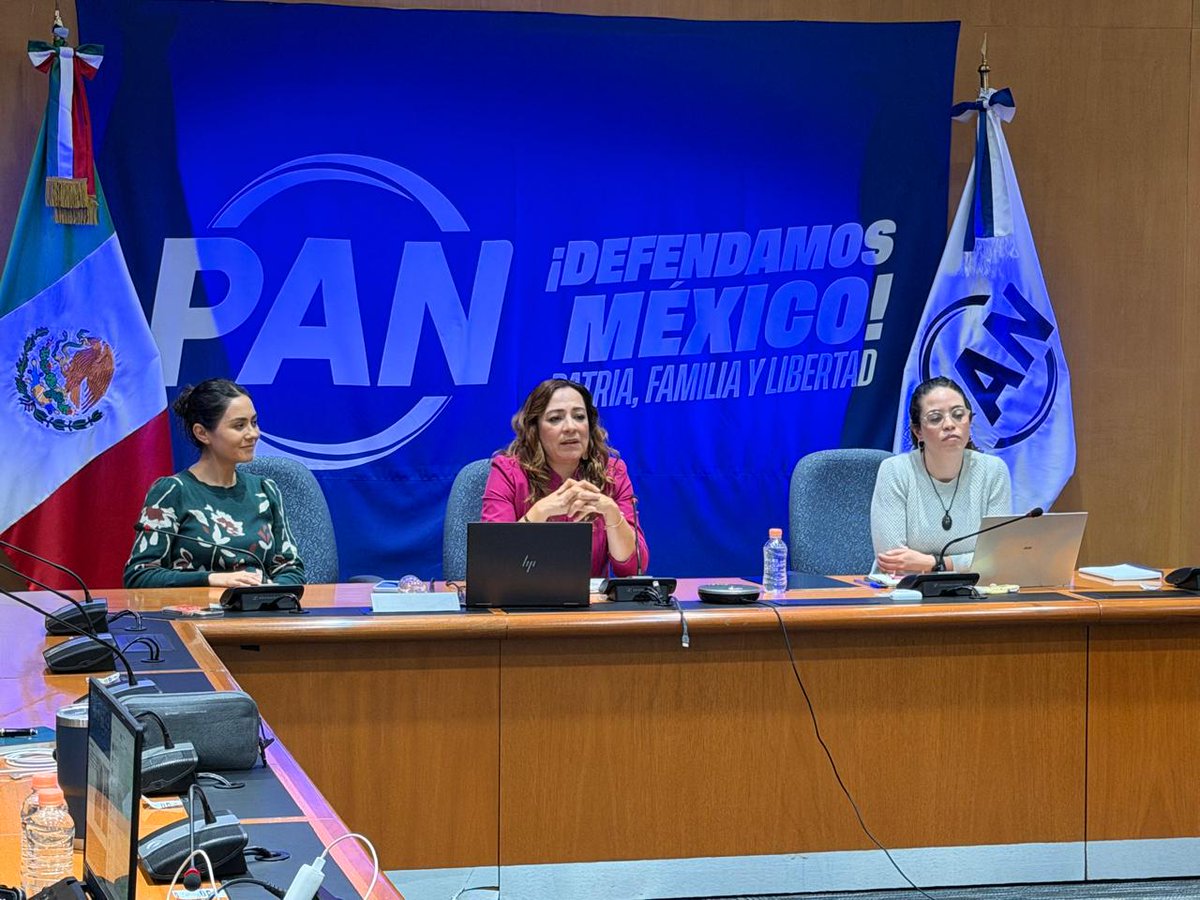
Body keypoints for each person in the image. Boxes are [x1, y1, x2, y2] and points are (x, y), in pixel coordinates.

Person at [123, 379, 305, 588]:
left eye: (253, 422)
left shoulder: (266, 490)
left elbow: (291, 569)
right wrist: (211, 580)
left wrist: (269, 592)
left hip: (260, 612)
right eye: (239, 426)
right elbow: (139, 576)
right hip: (195, 615)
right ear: (202, 433)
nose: (254, 434)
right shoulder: (172, 492)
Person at [481, 378, 648, 577]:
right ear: (535, 430)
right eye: (555, 419)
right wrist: (541, 511)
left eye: (579, 417)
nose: (571, 427)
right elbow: (494, 563)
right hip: (520, 603)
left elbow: (632, 569)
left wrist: (612, 514)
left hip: (590, 605)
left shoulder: (612, 473)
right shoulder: (508, 472)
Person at [871, 376, 1012, 575]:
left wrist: (934, 563)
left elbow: (997, 557)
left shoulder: (993, 471)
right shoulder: (895, 471)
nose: (949, 424)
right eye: (936, 418)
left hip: (971, 593)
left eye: (958, 415)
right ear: (918, 430)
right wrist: (967, 563)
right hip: (902, 594)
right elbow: (892, 561)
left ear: (969, 421)